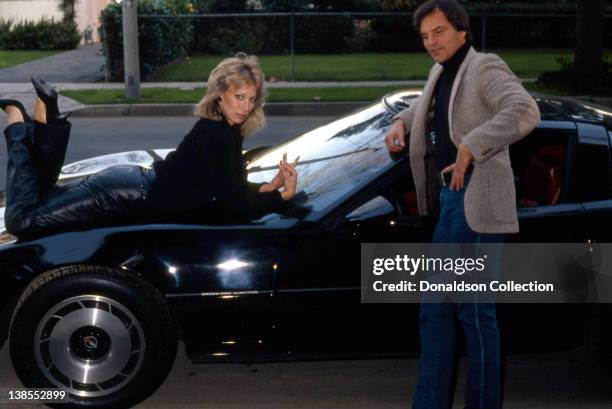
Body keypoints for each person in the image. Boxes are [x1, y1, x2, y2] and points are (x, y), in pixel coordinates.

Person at [384, 1, 540, 408]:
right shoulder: (442, 71)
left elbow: (525, 111)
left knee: (474, 313)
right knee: (434, 311)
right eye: (424, 36)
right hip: (450, 202)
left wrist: (474, 144)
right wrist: (402, 118)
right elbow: (432, 106)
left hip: (478, 203)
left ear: (462, 31)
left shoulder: (485, 66)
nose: (431, 42)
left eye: (438, 32)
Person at [1, 54, 298, 239]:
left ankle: (45, 117)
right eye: (239, 97)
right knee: (22, 220)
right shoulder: (218, 134)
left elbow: (229, 186)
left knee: (43, 197)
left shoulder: (225, 129)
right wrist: (282, 198)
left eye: (251, 98)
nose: (245, 107)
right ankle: (17, 124)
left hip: (129, 186)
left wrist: (269, 187)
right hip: (121, 195)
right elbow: (234, 202)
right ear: (220, 95)